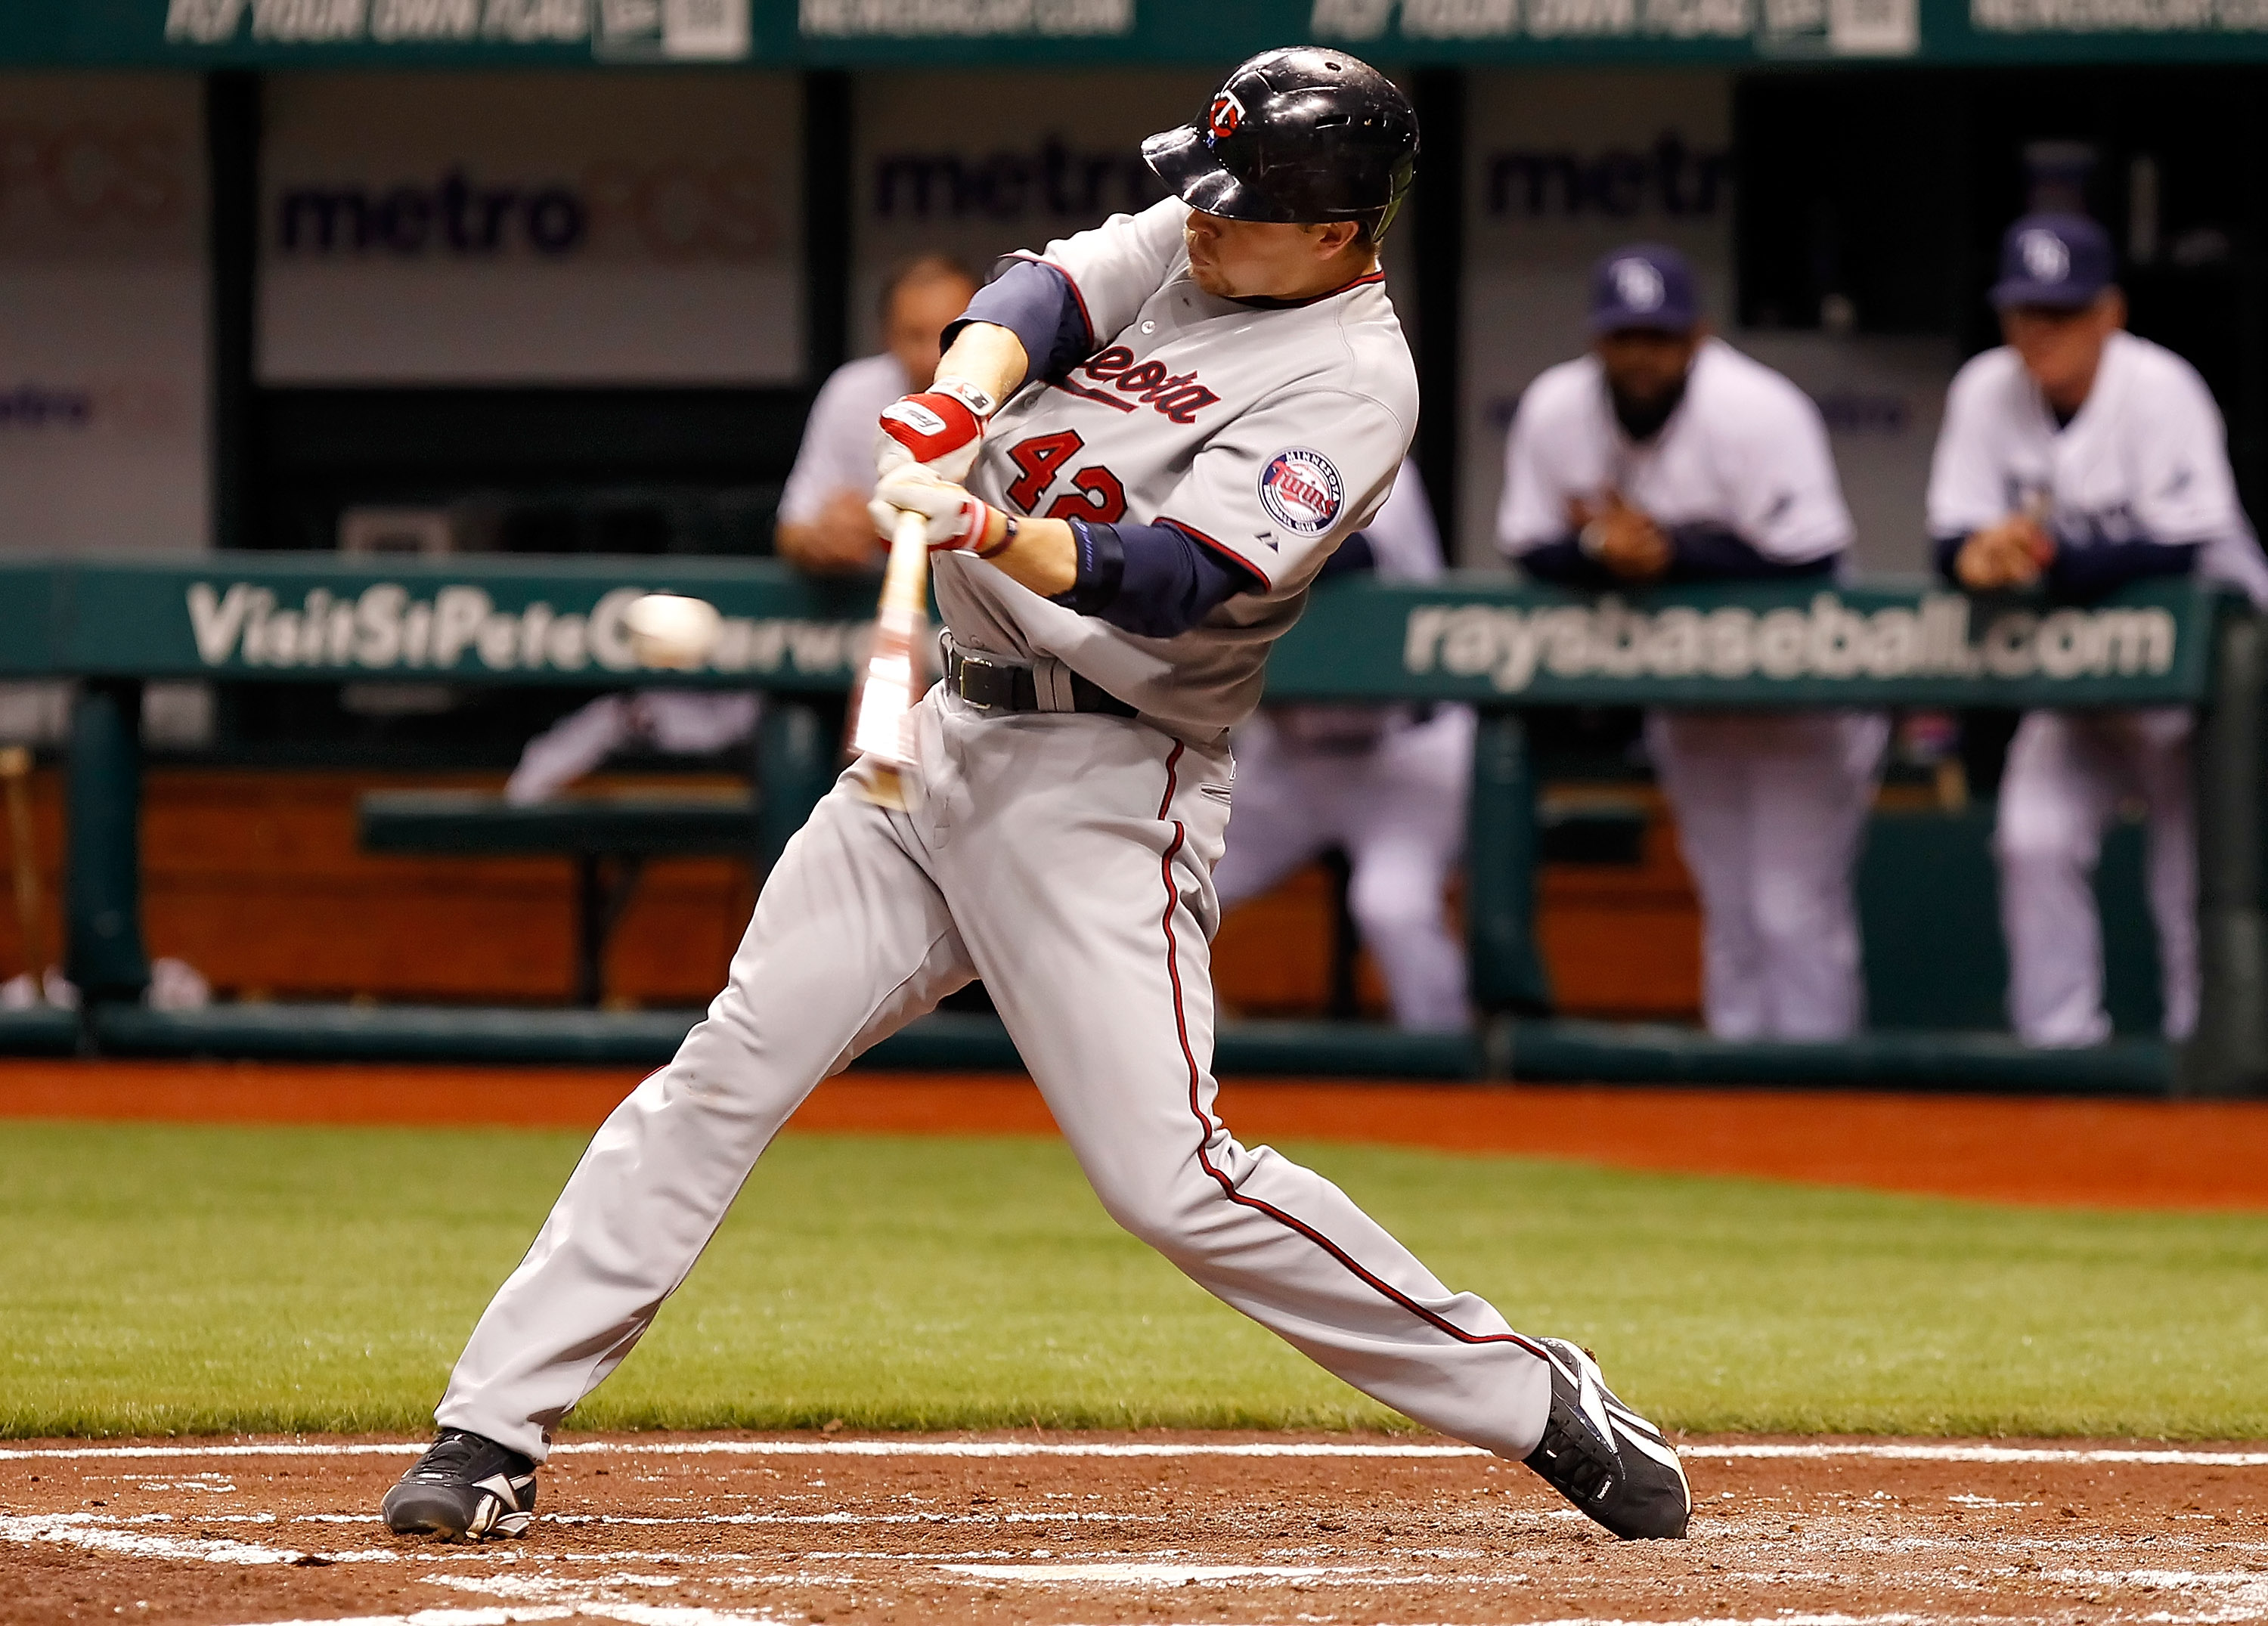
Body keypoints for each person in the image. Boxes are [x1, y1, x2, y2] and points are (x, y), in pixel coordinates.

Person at [379, 48, 1689, 1547]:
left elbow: (1179, 584)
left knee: (1172, 1180)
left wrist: (991, 518)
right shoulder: (1199, 234)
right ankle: (491, 1425)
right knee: (730, 1065)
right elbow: (1035, 296)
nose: (1196, 221)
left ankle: (1532, 1392)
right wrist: (956, 399)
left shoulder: (1351, 382)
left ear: (1335, 231)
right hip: (939, 744)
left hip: (1107, 783)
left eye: (1236, 206)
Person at [1498, 244, 1884, 1042]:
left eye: (1661, 338)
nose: (1643, 356)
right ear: (1597, 340)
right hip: (1689, 698)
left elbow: (1810, 557)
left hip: (1801, 697)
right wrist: (1604, 549)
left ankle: (1821, 1098)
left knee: (1790, 908)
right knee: (1733, 909)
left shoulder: (1756, 410)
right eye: (1626, 337)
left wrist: (1669, 552)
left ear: (1698, 337)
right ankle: (1744, 1108)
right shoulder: (1556, 409)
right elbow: (1530, 542)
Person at [1927, 212, 2268, 1048]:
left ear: (2109, 313)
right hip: (2078, 676)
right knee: (2031, 841)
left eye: (2064, 315)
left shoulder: (2160, 390)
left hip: (2204, 692)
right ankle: (2058, 1052)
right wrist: (1980, 558)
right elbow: (1951, 540)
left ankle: (2211, 1059)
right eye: (2025, 315)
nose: (2041, 335)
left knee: (2191, 881)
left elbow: (2179, 546)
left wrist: (2038, 560)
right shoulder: (1985, 390)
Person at [502, 259, 982, 804]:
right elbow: (793, 533)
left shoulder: (1020, 399)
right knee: (803, 748)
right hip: (867, 635)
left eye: (945, 335)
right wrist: (822, 539)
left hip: (975, 634)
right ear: (886, 335)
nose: (928, 355)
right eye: (912, 335)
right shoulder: (856, 395)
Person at [1211, 458, 1473, 1030]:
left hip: (1404, 755)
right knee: (1161, 887)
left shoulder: (1375, 448)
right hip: (1285, 760)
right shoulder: (1229, 448)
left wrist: (1209, 552)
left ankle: (1452, 1075)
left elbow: (1349, 555)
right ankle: (1188, 1050)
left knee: (1391, 907)